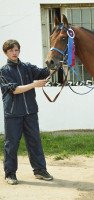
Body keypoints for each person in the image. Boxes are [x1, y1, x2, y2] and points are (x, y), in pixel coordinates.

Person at [0, 39, 53, 185]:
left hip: (30, 112)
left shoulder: (27, 67)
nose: (14, 53)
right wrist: (34, 84)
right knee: (12, 145)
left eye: (16, 50)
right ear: (6, 53)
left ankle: (40, 171)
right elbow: (15, 90)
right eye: (11, 50)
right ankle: (10, 174)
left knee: (35, 142)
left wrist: (57, 63)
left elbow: (45, 72)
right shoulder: (4, 71)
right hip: (13, 114)